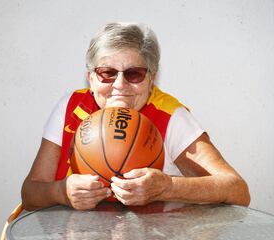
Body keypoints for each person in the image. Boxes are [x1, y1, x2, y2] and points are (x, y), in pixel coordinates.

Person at [21, 22, 250, 211]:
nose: (119, 85)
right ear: (91, 78)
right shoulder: (71, 107)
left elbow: (238, 190)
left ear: (151, 79)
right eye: (107, 73)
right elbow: (30, 193)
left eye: (134, 74)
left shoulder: (170, 117)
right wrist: (61, 192)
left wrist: (168, 187)